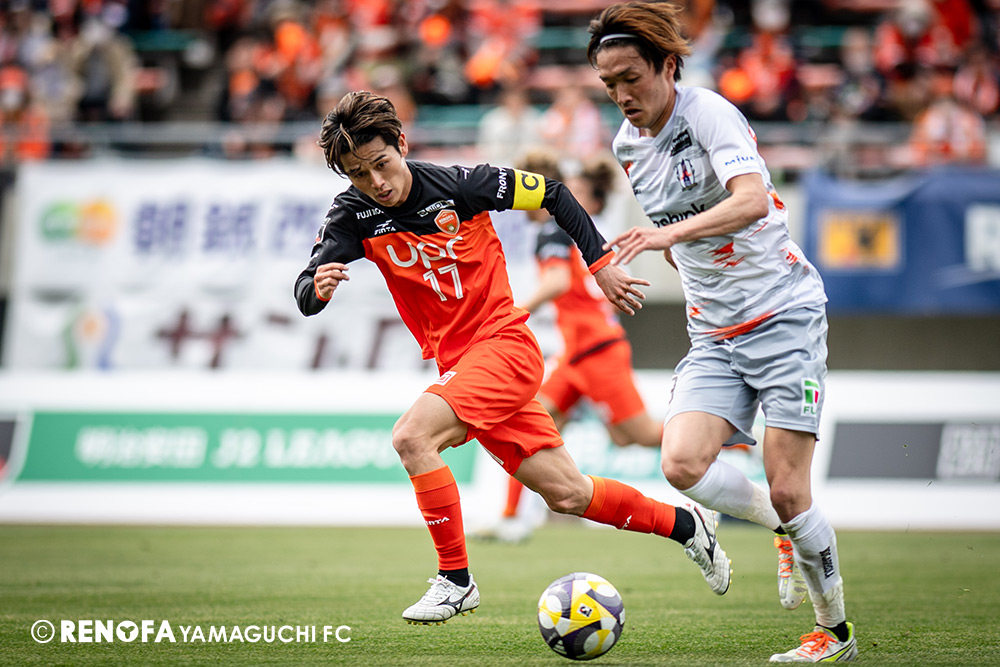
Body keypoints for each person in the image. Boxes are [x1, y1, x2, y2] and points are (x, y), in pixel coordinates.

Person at [294, 90, 732, 625]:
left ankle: (455, 581)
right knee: (568, 494)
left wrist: (600, 265)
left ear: (401, 144)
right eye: (359, 174)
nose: (376, 182)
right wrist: (317, 287)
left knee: (412, 436)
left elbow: (553, 193)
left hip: (504, 348)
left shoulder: (461, 185)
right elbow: (305, 289)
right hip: (462, 366)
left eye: (381, 163)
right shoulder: (352, 214)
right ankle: (688, 527)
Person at [586, 3, 855, 663]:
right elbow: (689, 242)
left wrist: (666, 237)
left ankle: (834, 633)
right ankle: (782, 529)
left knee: (791, 487)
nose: (621, 95)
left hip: (783, 315)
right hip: (713, 332)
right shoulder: (626, 146)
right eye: (609, 84)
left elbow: (752, 199)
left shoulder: (708, 112)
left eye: (631, 78)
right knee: (680, 463)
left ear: (667, 66)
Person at [478, 149, 663, 544]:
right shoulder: (573, 225)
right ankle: (510, 518)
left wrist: (513, 312)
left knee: (637, 434)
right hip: (576, 353)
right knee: (529, 423)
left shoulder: (553, 229)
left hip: (596, 351)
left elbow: (558, 282)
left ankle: (726, 438)